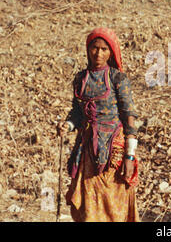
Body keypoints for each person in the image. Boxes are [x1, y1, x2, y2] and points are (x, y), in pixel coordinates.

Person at [57, 27, 140, 222]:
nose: (98, 53)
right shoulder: (80, 79)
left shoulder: (117, 78)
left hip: (113, 151)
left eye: (104, 49)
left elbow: (129, 116)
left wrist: (129, 155)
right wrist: (67, 126)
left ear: (111, 52)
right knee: (89, 205)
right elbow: (77, 113)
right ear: (88, 49)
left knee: (113, 203)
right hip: (87, 150)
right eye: (95, 48)